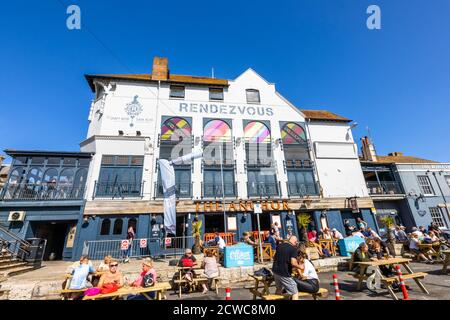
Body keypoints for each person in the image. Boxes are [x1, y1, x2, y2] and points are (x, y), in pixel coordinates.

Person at [272, 235, 302, 300]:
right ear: (295, 242)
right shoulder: (293, 249)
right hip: (284, 273)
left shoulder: (280, 245)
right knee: (294, 292)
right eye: (296, 243)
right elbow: (293, 263)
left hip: (275, 271)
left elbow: (273, 256)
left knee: (279, 289)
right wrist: (300, 266)